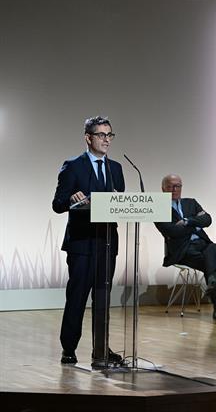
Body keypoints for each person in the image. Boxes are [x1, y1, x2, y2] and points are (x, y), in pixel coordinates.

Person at [52, 116, 125, 366]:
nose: (106, 139)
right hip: (82, 243)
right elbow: (58, 204)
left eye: (109, 135)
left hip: (107, 242)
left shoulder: (116, 168)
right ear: (88, 138)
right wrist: (73, 201)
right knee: (77, 297)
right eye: (101, 135)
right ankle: (69, 348)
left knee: (103, 298)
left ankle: (101, 350)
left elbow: (119, 204)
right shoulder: (73, 166)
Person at [155, 174, 216, 321]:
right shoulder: (158, 207)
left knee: (213, 248)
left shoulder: (191, 203)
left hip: (202, 244)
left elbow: (207, 219)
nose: (174, 189)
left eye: (178, 186)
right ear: (163, 189)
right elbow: (172, 231)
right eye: (170, 186)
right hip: (182, 250)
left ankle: (213, 285)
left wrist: (188, 222)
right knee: (211, 263)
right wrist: (196, 225)